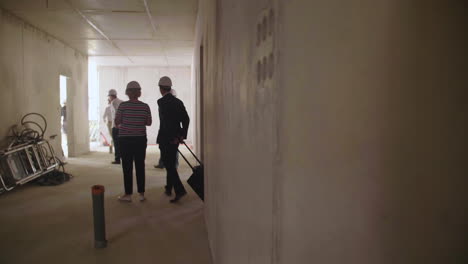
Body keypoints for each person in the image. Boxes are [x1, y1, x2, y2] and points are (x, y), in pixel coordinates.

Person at [115, 81, 152, 202]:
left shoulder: (123, 106)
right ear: (139, 93)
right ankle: (141, 194)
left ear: (127, 92)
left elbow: (117, 121)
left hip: (125, 139)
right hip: (140, 139)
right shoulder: (145, 106)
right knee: (140, 165)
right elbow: (149, 123)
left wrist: (125, 124)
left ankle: (128, 195)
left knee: (127, 166)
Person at [156, 76, 190, 203]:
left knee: (169, 164)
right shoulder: (178, 102)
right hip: (175, 138)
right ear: (170, 88)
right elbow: (186, 119)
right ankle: (168, 188)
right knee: (170, 162)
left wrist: (172, 137)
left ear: (161, 88)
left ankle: (179, 190)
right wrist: (181, 135)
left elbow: (166, 122)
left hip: (167, 138)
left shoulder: (161, 102)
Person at [154, 88, 179, 169]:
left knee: (169, 150)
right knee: (172, 150)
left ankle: (168, 164)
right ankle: (166, 163)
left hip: (167, 132)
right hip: (170, 132)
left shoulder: (162, 103)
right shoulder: (177, 104)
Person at [108, 89, 123, 164]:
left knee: (116, 143)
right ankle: (123, 157)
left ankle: (117, 159)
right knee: (122, 143)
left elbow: (117, 113)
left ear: (111, 96)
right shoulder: (121, 101)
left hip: (116, 126)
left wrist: (117, 124)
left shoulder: (113, 102)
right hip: (122, 126)